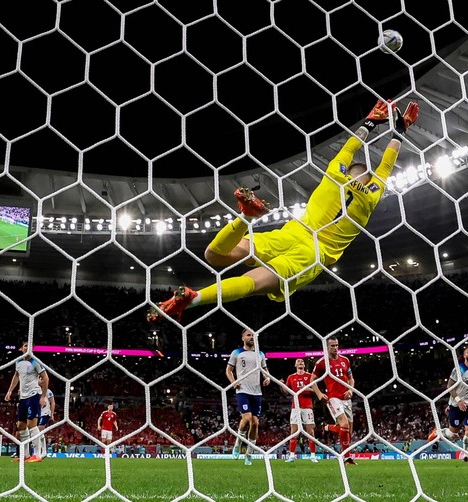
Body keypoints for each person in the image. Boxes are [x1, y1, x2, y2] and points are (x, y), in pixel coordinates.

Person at [148, 99, 420, 322]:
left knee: (215, 255)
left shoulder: (334, 173)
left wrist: (371, 122)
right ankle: (196, 299)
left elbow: (351, 147)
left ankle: (245, 216)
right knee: (252, 283)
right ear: (369, 180)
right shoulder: (372, 195)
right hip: (314, 253)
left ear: (347, 170)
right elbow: (386, 165)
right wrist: (399, 133)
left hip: (292, 231)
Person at [427, 346, 468, 464]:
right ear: (464, 355)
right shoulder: (458, 369)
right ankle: (438, 432)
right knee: (451, 433)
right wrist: (459, 400)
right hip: (456, 404)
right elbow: (450, 386)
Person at [226, 329, 271, 466]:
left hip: (256, 392)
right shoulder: (237, 353)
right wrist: (233, 382)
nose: (251, 337)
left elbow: (265, 370)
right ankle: (238, 444)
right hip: (242, 391)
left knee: (255, 423)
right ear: (243, 338)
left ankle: (249, 454)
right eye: (249, 335)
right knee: (246, 418)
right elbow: (228, 370)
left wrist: (267, 377)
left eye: (253, 335)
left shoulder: (260, 354)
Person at [4, 341, 49, 463]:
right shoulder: (18, 362)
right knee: (20, 426)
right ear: (21, 349)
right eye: (25, 346)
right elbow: (16, 376)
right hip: (23, 397)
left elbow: (45, 377)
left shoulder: (35, 362)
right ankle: (26, 455)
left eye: (29, 346)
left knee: (31, 425)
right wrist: (9, 391)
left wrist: (43, 396)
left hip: (34, 395)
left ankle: (37, 455)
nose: (27, 347)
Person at [313, 338, 356, 464]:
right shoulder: (321, 362)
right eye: (332, 346)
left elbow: (351, 379)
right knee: (344, 425)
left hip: (346, 398)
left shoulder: (345, 360)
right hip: (333, 398)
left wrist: (350, 390)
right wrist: (319, 393)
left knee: (348, 431)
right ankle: (347, 458)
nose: (335, 348)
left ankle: (327, 427)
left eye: (337, 345)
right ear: (327, 347)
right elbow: (312, 379)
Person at [281, 358, 324, 463]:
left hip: (307, 407)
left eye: (302, 362)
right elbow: (285, 392)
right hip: (295, 407)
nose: (300, 363)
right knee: (294, 432)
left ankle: (313, 456)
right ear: (295, 365)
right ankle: (291, 456)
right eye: (298, 362)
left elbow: (316, 390)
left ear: (304, 365)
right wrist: (281, 385)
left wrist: (307, 389)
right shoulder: (291, 377)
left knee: (310, 432)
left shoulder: (310, 376)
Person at [36, 375, 55, 460]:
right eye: (39, 379)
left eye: (41, 379)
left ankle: (41, 452)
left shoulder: (48, 391)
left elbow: (52, 402)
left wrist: (52, 414)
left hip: (45, 413)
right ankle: (43, 452)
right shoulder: (36, 391)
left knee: (39, 430)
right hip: (37, 414)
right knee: (39, 433)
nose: (40, 381)